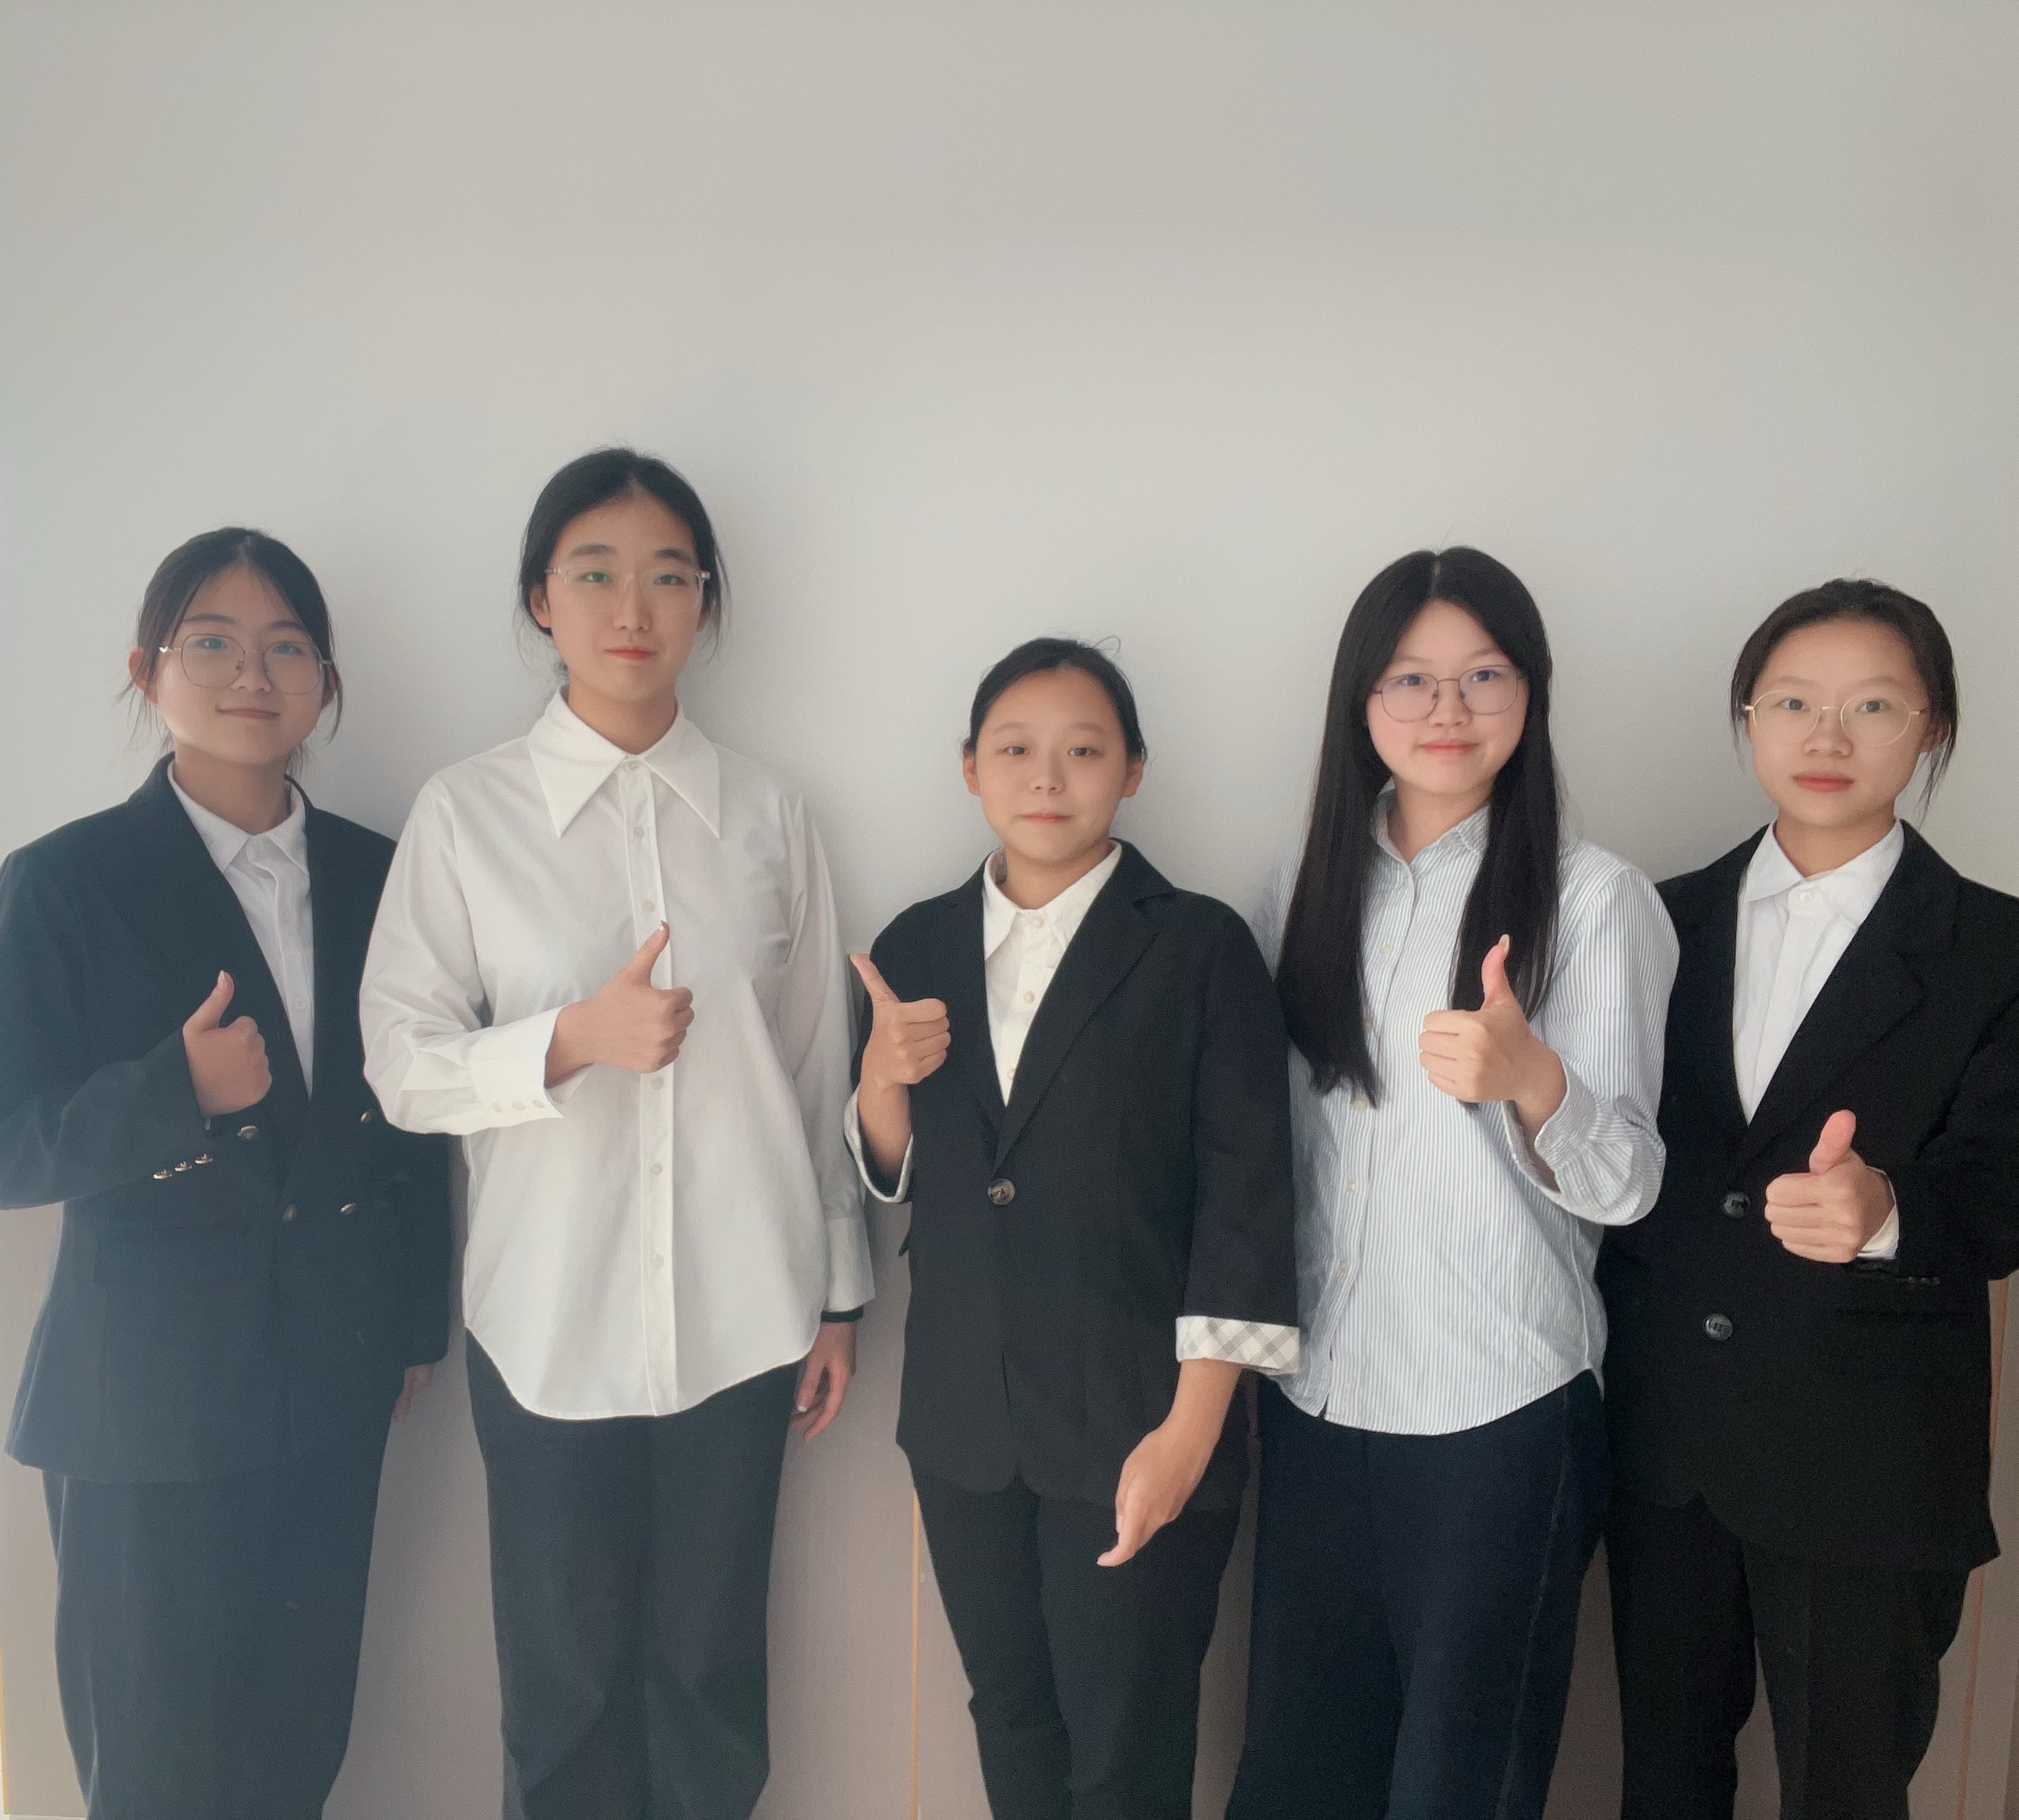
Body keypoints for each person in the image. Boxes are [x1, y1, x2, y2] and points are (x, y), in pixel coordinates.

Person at [360, 446, 870, 1820]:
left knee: (710, 1682)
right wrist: (568, 1041)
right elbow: (401, 1068)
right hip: (546, 1318)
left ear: (707, 602)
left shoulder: (771, 815)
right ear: (541, 600)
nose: (631, 607)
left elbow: (814, 1066)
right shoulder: (466, 815)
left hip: (744, 1312)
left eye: (668, 575)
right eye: (593, 573)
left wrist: (837, 1296)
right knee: (564, 1693)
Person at [0, 528, 452, 1820]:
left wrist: (414, 1321)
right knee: (157, 1770)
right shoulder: (64, 881)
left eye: (285, 647)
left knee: (296, 1748)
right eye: (212, 641)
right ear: (147, 670)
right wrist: (172, 1094)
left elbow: (419, 1114)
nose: (252, 674)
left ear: (325, 682)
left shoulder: (382, 872)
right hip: (145, 1396)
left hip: (334, 1369)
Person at [1225, 548, 1679, 1820]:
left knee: (1458, 1788)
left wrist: (1534, 1078)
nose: (1445, 709)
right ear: (1358, 700)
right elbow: (1267, 1155)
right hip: (1318, 1402)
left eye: (1482, 675)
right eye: (1408, 679)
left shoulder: (1594, 900)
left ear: (1531, 691)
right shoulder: (1298, 887)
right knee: (1297, 1780)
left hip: (1501, 1415)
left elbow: (1630, 1182)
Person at [849, 636, 1298, 1820]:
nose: (1046, 777)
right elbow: (899, 1176)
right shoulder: (913, 946)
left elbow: (1247, 1199)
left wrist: (1191, 1432)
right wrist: (880, 1080)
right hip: (964, 1418)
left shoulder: (1197, 946)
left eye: (1083, 751)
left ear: (1132, 770)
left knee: (1125, 1745)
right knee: (1010, 1714)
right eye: (1014, 750)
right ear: (969, 770)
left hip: (1137, 1417)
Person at [1598, 579, 2019, 1820]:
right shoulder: (1649, 920)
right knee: (1663, 1782)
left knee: (1847, 1793)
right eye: (1790, 703)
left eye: (1871, 705)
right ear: (1747, 718)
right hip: (1668, 1447)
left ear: (1931, 726)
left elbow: (2002, 1193)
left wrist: (1886, 1210)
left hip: (1865, 1464)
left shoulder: (1993, 948)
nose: (1825, 736)